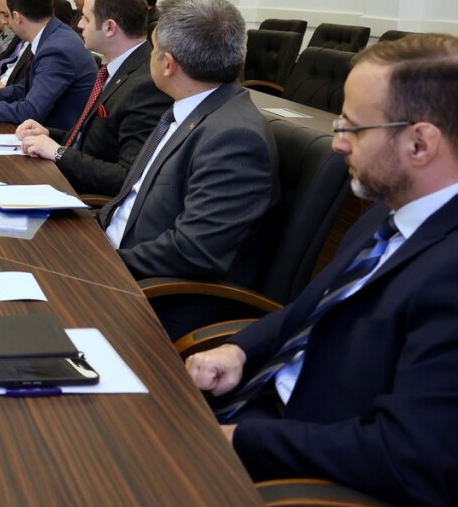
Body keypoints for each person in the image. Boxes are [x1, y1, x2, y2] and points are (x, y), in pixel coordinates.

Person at [186, 34, 458, 504]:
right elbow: (309, 310)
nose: (337, 144)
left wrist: (241, 440)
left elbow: (407, 455)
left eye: (353, 129)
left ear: (419, 143)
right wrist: (239, 350)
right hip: (260, 405)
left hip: (309, 469)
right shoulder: (389, 209)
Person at [96, 0, 276, 337]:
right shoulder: (190, 107)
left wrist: (102, 260)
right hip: (119, 264)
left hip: (154, 301)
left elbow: (195, 251)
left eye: (152, 49)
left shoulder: (235, 138)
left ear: (168, 65)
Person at [17, 0, 171, 197]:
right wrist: (48, 133)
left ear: (109, 27)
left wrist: (58, 152)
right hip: (67, 181)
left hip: (84, 199)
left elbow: (126, 177)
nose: (79, 24)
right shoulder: (117, 69)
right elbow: (89, 141)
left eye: (86, 19)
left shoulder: (145, 85)